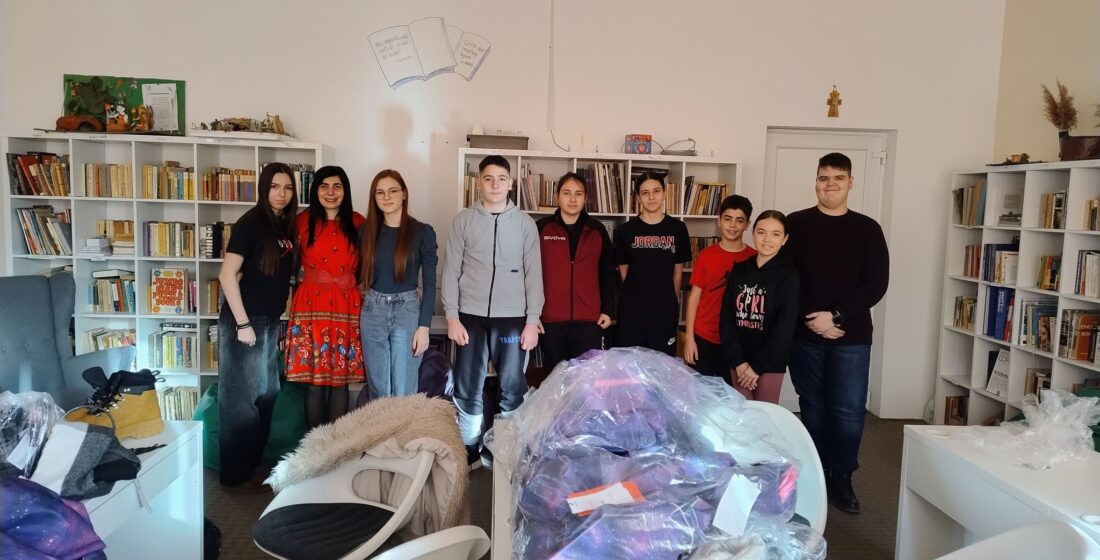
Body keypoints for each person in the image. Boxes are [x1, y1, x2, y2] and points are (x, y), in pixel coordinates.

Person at [786, 152, 890, 514]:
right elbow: (787, 277)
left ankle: (842, 478)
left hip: (852, 336)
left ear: (850, 182)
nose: (830, 184)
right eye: (824, 178)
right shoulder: (796, 224)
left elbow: (876, 283)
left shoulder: (868, 229)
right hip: (804, 334)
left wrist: (836, 316)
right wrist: (812, 318)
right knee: (812, 407)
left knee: (848, 411)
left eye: (838, 178)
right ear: (815, 182)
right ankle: (817, 474)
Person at [443, 155, 543, 470]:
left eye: (501, 178)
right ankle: (469, 450)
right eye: (488, 178)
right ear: (479, 182)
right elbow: (451, 271)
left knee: (512, 387)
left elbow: (534, 275)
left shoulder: (525, 224)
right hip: (469, 317)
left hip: (512, 319)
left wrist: (532, 321)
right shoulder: (463, 221)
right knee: (467, 385)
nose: (495, 184)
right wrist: (452, 316)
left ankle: (506, 450)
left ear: (510, 183)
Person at [217, 162, 298, 488]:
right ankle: (234, 476)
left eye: (287, 188)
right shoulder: (250, 223)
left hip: (268, 322)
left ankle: (252, 465)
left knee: (267, 395)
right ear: (264, 189)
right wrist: (242, 323)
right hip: (245, 322)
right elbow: (227, 275)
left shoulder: (283, 227)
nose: (281, 194)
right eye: (274, 187)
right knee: (240, 402)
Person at [284, 165, 365, 428]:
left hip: (347, 304)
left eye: (337, 187)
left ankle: (336, 446)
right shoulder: (301, 222)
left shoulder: (359, 223)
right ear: (315, 190)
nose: (331, 193)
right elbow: (285, 262)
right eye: (324, 186)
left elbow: (371, 264)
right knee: (315, 381)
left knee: (340, 381)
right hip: (311, 305)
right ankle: (314, 445)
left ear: (345, 191)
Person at [359, 169, 438, 399]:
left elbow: (430, 282)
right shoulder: (365, 231)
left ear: (404, 193)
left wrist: (424, 327)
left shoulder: (422, 232)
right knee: (378, 391)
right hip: (372, 310)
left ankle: (404, 426)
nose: (386, 197)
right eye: (380, 192)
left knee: (404, 390)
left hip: (407, 311)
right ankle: (381, 426)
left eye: (393, 191)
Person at [535, 172, 617, 369]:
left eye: (578, 194)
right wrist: (532, 314)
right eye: (566, 193)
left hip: (590, 321)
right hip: (550, 320)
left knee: (586, 378)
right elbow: (529, 274)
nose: (572, 199)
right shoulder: (542, 228)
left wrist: (608, 310)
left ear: (585, 198)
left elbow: (608, 272)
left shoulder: (597, 230)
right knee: (555, 377)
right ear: (557, 197)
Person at [719, 210, 799, 403]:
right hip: (739, 361)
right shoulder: (739, 269)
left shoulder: (789, 276)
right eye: (761, 232)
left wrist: (756, 368)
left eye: (776, 234)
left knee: (765, 415)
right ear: (753, 234)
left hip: (769, 364)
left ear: (785, 239)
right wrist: (738, 361)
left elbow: (784, 328)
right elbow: (726, 318)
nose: (767, 239)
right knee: (741, 415)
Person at [614, 171, 691, 355]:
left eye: (656, 191)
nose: (651, 197)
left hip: (664, 312)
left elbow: (678, 273)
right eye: (645, 193)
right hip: (632, 313)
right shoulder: (625, 231)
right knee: (630, 364)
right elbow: (624, 272)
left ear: (664, 193)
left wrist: (668, 301)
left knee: (662, 365)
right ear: (638, 197)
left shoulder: (678, 229)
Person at [684, 195, 756, 379]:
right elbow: (694, 298)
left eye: (739, 220)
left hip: (737, 340)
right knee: (700, 390)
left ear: (747, 224)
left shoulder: (753, 258)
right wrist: (690, 338)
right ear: (719, 220)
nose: (732, 225)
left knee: (731, 392)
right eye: (728, 219)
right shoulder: (706, 255)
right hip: (704, 335)